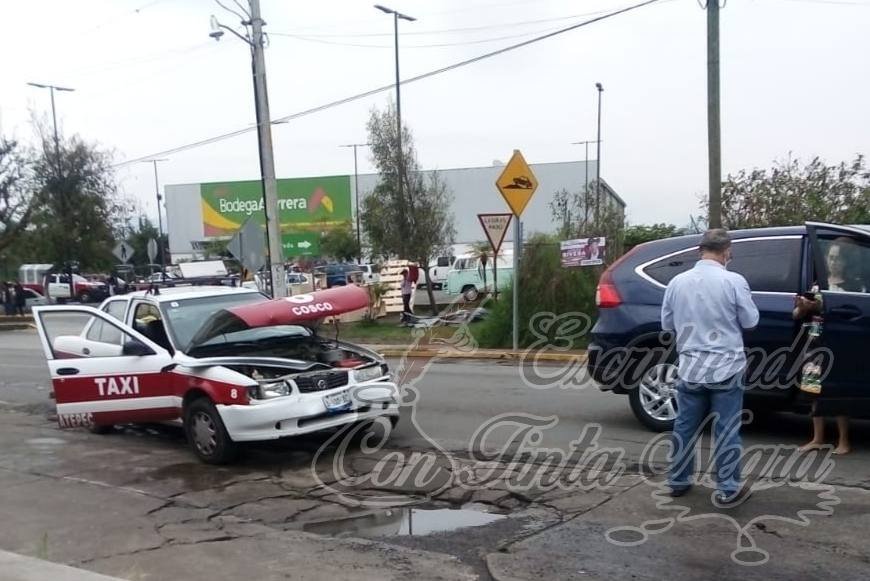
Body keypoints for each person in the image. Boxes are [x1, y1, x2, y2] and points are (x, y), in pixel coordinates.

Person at [662, 229, 760, 505]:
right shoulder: (733, 281)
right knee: (727, 428)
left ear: (699, 250)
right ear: (727, 251)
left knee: (684, 427)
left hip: (690, 366)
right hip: (726, 366)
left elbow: (667, 324)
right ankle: (728, 488)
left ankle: (679, 481)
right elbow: (751, 321)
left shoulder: (677, 283)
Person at [792, 237, 865, 455]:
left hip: (840, 344)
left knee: (838, 392)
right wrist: (804, 308)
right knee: (814, 390)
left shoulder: (855, 285)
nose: (832, 262)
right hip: (815, 344)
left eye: (837, 258)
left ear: (846, 262)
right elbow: (796, 314)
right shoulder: (817, 285)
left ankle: (844, 440)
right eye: (830, 258)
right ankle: (817, 437)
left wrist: (822, 306)